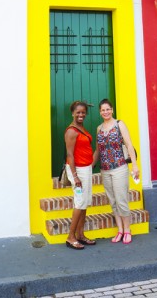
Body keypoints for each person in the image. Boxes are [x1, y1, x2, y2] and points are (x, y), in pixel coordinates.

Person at [95, 98, 139, 245]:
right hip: (105, 169)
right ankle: (120, 230)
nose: (105, 112)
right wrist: (90, 166)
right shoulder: (99, 128)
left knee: (122, 200)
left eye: (108, 109)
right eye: (103, 110)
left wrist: (135, 165)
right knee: (113, 202)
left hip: (120, 167)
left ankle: (127, 230)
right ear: (100, 112)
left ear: (112, 110)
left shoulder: (119, 124)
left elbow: (129, 144)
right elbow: (98, 150)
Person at [64, 100, 97, 249]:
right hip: (77, 171)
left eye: (83, 112)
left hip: (86, 169)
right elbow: (70, 155)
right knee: (79, 202)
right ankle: (71, 237)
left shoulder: (81, 128)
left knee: (84, 204)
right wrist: (75, 176)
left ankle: (81, 235)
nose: (81, 114)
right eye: (78, 112)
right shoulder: (71, 130)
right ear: (73, 113)